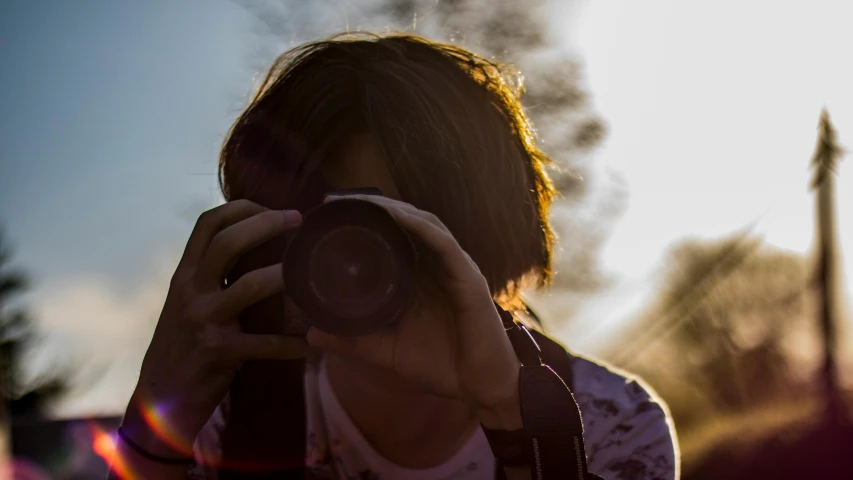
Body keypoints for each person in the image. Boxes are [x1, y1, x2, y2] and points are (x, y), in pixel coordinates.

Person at [109, 32, 678, 479]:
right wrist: (155, 426)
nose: (351, 264)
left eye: (387, 227)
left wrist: (521, 431)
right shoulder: (226, 425)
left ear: (484, 225)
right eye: (318, 230)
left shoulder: (612, 424)